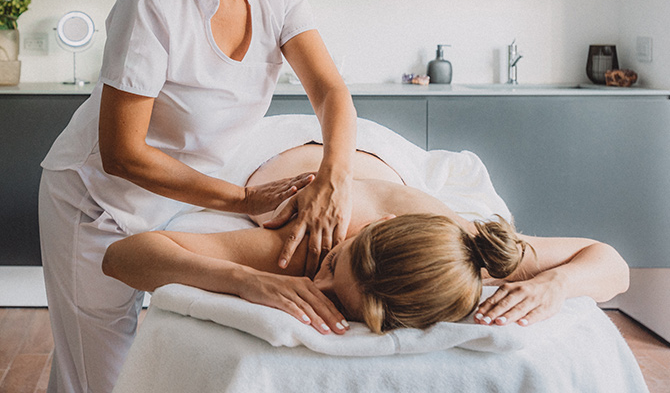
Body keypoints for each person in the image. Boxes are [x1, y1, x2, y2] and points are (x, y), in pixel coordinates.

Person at [38, 0, 356, 393]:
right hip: (96, 205)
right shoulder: (154, 3)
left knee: (163, 360)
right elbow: (122, 154)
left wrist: (336, 173)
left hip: (182, 205)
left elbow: (330, 90)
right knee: (98, 381)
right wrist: (237, 199)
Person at [103, 141, 630, 336]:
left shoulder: (468, 250)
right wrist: (243, 279)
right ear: (366, 233)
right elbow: (122, 256)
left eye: (333, 291)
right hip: (284, 143)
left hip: (389, 161)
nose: (323, 282)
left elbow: (611, 265)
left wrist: (557, 284)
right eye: (337, 265)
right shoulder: (304, 247)